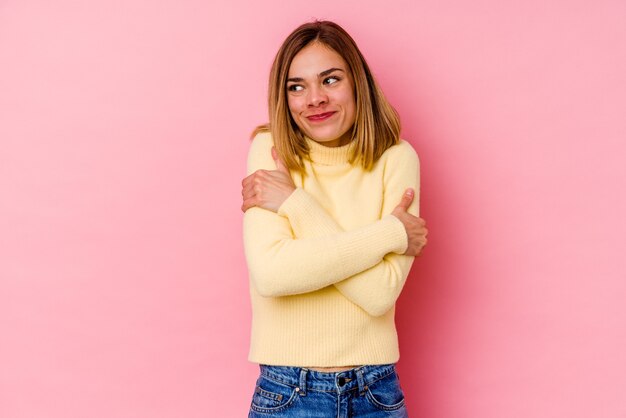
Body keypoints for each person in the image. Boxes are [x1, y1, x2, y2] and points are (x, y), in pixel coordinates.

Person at [240, 20, 428, 417]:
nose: (314, 99)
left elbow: (378, 295)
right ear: (284, 97)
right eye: (297, 87)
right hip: (287, 392)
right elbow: (272, 274)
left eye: (330, 80)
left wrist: (294, 204)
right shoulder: (270, 150)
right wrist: (391, 233)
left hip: (375, 393)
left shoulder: (397, 159)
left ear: (357, 82)